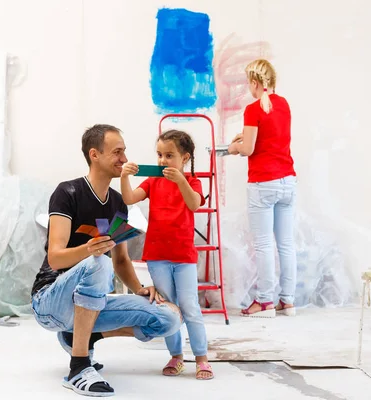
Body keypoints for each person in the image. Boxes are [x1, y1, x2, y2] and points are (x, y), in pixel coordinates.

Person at [31, 124, 183, 397]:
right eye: (117, 152)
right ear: (95, 155)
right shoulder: (68, 193)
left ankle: (82, 336)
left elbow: (122, 260)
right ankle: (78, 366)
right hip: (50, 301)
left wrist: (140, 290)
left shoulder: (117, 202)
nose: (124, 159)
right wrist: (90, 250)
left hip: (88, 302)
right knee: (99, 262)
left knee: (168, 317)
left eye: (124, 152)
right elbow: (55, 257)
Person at [120, 129, 214, 380]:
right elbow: (129, 198)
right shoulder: (153, 181)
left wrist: (181, 180)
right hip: (158, 256)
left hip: (183, 257)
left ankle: (202, 358)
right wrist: (124, 177)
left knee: (190, 306)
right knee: (169, 308)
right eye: (159, 155)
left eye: (169, 155)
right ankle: (176, 355)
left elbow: (194, 204)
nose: (162, 161)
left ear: (184, 158)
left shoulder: (192, 182)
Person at [227, 59, 298, 318]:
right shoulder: (284, 105)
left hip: (263, 183)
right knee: (286, 244)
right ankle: (287, 301)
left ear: (255, 83)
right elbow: (270, 139)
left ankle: (265, 302)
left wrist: (234, 146)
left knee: (264, 244)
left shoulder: (253, 108)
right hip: (287, 180)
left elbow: (249, 149)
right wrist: (244, 139)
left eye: (249, 83)